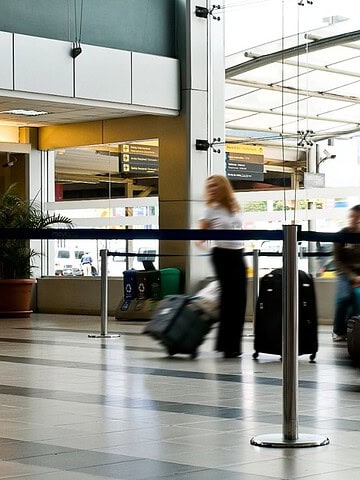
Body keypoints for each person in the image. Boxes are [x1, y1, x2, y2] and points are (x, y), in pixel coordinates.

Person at [196, 175, 247, 358]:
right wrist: (209, 245)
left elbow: (240, 230)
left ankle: (235, 345)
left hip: (238, 254)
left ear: (223, 187)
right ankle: (226, 345)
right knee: (229, 299)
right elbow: (199, 237)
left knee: (240, 299)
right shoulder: (210, 210)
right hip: (222, 255)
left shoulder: (235, 207)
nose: (211, 189)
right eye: (209, 186)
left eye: (215, 186)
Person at [332, 204, 360, 341]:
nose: (353, 220)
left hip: (359, 274)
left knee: (357, 300)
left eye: (357, 217)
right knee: (344, 297)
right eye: (352, 217)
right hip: (345, 272)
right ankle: (338, 331)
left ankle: (353, 330)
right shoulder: (341, 235)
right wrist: (353, 277)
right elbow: (337, 261)